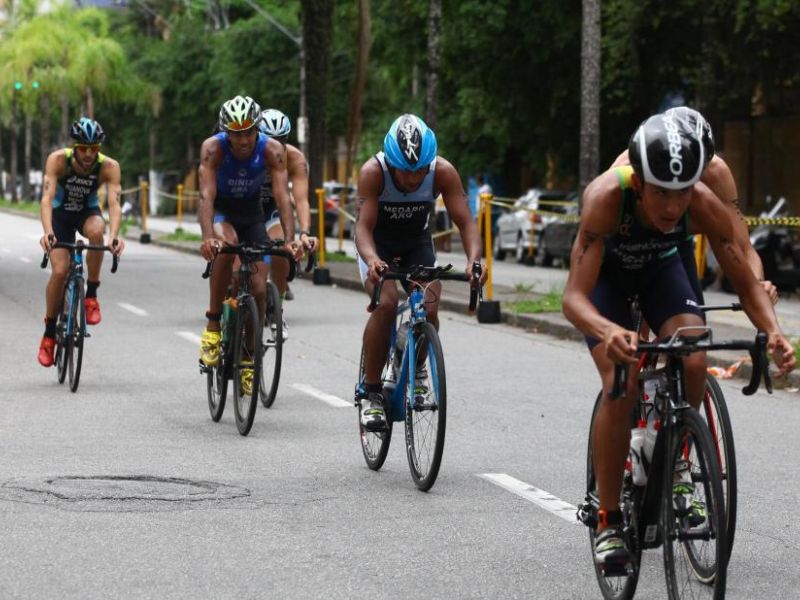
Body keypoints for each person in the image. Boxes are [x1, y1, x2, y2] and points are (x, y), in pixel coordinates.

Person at [562, 110, 796, 570]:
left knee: (693, 356)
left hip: (660, 268)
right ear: (640, 182)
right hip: (608, 279)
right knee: (622, 382)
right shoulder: (607, 196)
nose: (673, 207)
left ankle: (677, 456)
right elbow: (573, 297)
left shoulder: (703, 201)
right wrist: (609, 330)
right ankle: (608, 521)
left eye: (683, 192)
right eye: (662, 194)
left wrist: (774, 332)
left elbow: (746, 283)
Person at [354, 114, 486, 431]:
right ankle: (371, 393)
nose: (414, 178)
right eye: (406, 171)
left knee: (428, 308)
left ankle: (417, 367)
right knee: (385, 305)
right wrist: (372, 259)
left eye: (420, 170)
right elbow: (363, 228)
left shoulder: (442, 171)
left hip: (416, 243)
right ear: (391, 161)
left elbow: (466, 223)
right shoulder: (374, 172)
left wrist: (474, 261)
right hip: (378, 247)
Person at [610, 106, 778, 304]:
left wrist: (757, 285)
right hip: (630, 240)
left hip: (677, 239)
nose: (689, 178)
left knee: (693, 316)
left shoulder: (716, 172)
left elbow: (744, 247)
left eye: (699, 168)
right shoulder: (631, 165)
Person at [197, 95, 301, 394]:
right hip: (222, 211)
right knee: (225, 245)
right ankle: (214, 325)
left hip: (252, 215)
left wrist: (290, 241)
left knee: (257, 288)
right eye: (236, 133)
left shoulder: (271, 149)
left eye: (248, 132)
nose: (243, 140)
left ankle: (248, 357)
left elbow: (283, 198)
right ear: (225, 131)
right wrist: (208, 238)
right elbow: (206, 195)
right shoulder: (212, 149)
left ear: (258, 130)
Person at [37, 117, 125, 367]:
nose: (88, 154)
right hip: (59, 216)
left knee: (98, 232)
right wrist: (47, 232)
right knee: (60, 270)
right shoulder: (58, 160)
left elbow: (114, 204)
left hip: (86, 212)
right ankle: (49, 334)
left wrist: (115, 236)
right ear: (74, 147)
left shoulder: (108, 166)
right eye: (83, 148)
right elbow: (46, 198)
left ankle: (91, 295)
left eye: (94, 149)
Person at [258, 108, 318, 334]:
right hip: (246, 208)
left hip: (273, 209)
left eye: (281, 140)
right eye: (269, 140)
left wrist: (304, 233)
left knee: (281, 245)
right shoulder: (247, 155)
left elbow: (301, 201)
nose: (275, 146)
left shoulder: (294, 158)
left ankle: (277, 306)